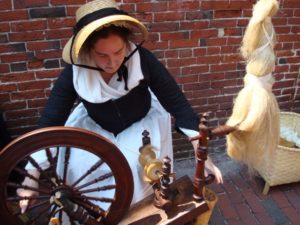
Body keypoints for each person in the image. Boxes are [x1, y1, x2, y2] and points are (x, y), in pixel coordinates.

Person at [18, 0, 223, 222]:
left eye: (118, 52)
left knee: (136, 175)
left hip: (141, 124)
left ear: (127, 42)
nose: (112, 62)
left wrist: (201, 153)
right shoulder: (75, 73)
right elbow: (50, 121)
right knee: (80, 175)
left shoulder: (143, 59)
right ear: (87, 50)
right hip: (95, 128)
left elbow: (176, 102)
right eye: (102, 55)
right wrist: (31, 177)